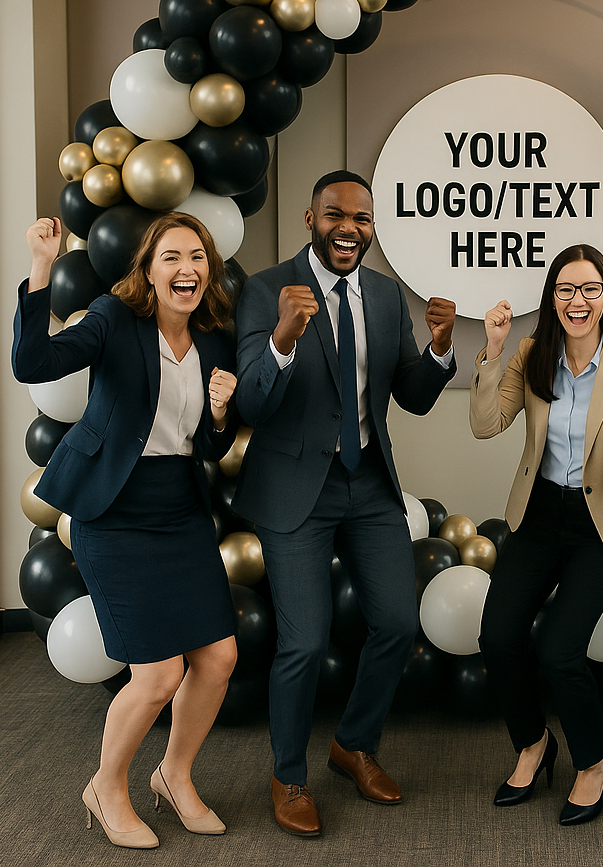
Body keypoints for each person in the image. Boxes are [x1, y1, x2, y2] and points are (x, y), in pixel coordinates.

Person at [232, 170, 456, 838]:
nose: (348, 228)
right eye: (335, 215)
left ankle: (353, 745)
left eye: (361, 218)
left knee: (396, 624)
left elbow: (410, 396)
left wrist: (441, 350)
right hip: (296, 490)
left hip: (368, 487)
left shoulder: (385, 296)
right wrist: (282, 339)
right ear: (311, 217)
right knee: (304, 643)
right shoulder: (268, 289)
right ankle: (288, 775)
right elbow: (250, 400)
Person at [12, 212, 240, 850]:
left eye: (196, 257)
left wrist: (221, 412)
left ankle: (174, 775)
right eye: (170, 257)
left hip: (180, 509)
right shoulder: (115, 320)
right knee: (158, 673)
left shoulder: (214, 339)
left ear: (209, 269)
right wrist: (41, 265)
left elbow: (211, 445)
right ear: (148, 269)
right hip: (112, 511)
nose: (185, 269)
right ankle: (107, 787)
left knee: (218, 658)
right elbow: (33, 363)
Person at [471, 243, 603, 826]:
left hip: (602, 525)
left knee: (558, 651)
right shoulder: (532, 354)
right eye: (566, 290)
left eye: (590, 290)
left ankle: (592, 761)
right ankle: (533, 744)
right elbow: (485, 425)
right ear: (552, 300)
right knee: (498, 638)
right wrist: (493, 351)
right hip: (538, 514)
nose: (578, 301)